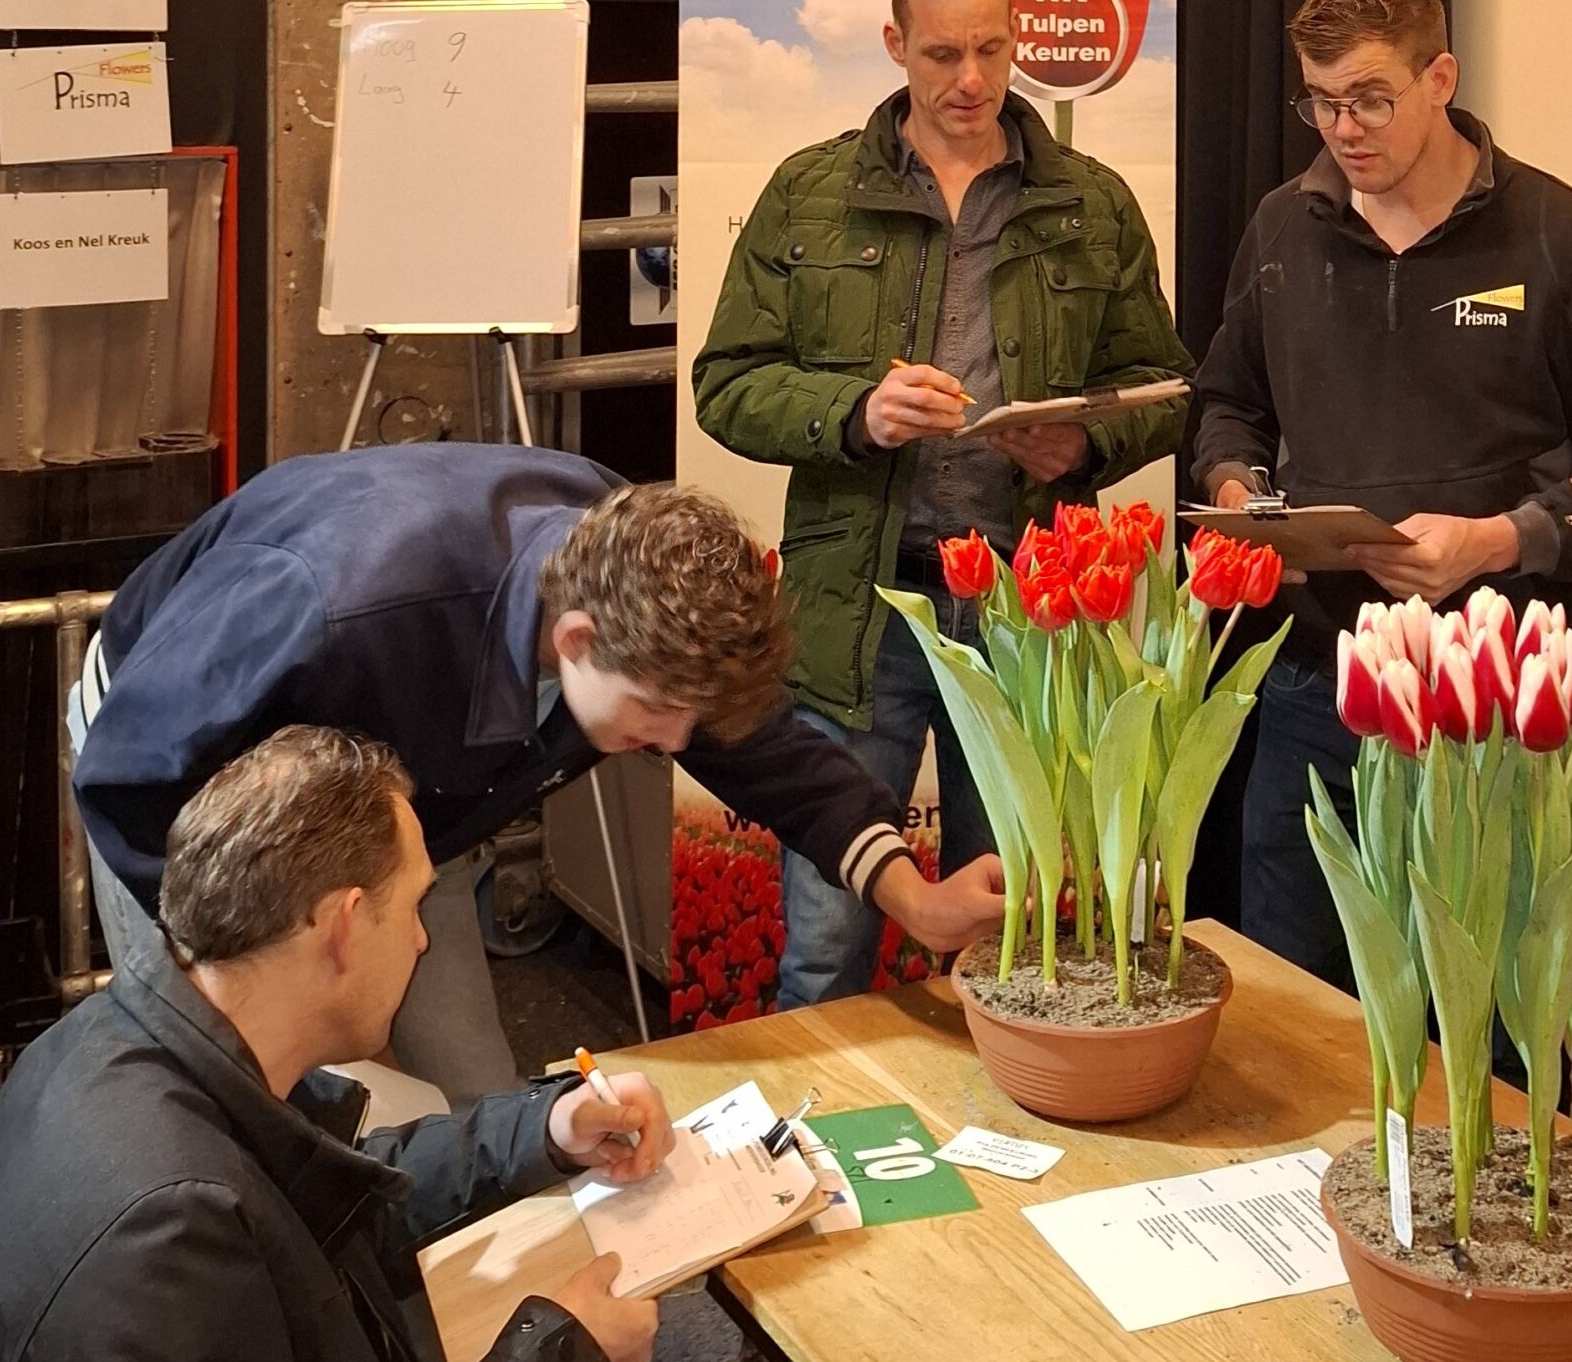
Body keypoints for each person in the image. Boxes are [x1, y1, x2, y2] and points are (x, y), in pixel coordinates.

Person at [68, 445, 1006, 1099]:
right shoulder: (335, 605)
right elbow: (128, 774)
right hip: (184, 780)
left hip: (399, 801)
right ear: (576, 640)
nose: (680, 742)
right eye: (655, 714)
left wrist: (911, 899)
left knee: (466, 1090)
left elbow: (757, 743)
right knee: (247, 1092)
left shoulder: (632, 585)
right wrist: (265, 963)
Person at [693, 0, 1189, 1007]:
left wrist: (1083, 442)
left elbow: (1162, 382)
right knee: (826, 940)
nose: (970, 80)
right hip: (858, 611)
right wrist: (857, 412)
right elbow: (724, 384)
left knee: (1010, 939)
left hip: (1026, 612)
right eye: (940, 55)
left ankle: (1001, 1158)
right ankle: (803, 1167)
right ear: (893, 43)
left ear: (1015, 42)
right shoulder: (809, 191)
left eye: (992, 51)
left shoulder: (1088, 201)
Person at [0, 725, 674, 1362]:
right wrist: (563, 1358)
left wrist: (544, 1126)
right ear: (343, 925)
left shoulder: (133, 1041)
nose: (425, 937)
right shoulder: (167, 1239)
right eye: (414, 906)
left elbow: (334, 1196)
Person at [1189, 0, 1572, 984]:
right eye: (1321, 101)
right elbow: (1226, 402)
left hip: (1496, 699)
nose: (1344, 128)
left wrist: (1495, 542)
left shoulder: (1565, 239)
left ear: (1440, 77)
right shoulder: (1284, 227)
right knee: (1297, 1012)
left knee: (1497, 1039)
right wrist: (1239, 487)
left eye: (1370, 97)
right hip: (1312, 683)